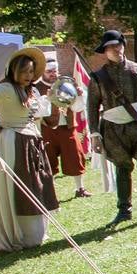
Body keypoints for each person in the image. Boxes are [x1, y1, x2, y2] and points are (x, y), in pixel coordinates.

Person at [0, 47, 59, 250]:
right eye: (24, 71)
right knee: (18, 189)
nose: (28, 76)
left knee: (34, 185)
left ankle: (33, 235)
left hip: (29, 140)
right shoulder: (6, 88)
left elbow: (41, 116)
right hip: (12, 142)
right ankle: (19, 235)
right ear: (14, 71)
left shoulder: (26, 90)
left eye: (30, 71)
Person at [86, 30, 137, 224]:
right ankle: (124, 211)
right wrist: (95, 134)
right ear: (104, 51)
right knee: (122, 167)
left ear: (123, 45)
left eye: (117, 45)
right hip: (113, 130)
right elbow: (92, 107)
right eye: (110, 47)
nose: (115, 50)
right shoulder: (98, 78)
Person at [33, 59, 90, 198]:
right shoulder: (35, 88)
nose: (53, 74)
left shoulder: (67, 84)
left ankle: (80, 188)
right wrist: (47, 98)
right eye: (49, 71)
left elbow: (78, 107)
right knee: (48, 160)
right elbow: (37, 112)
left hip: (68, 126)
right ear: (42, 72)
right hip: (47, 128)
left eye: (55, 71)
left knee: (75, 157)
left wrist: (80, 95)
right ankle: (49, 192)